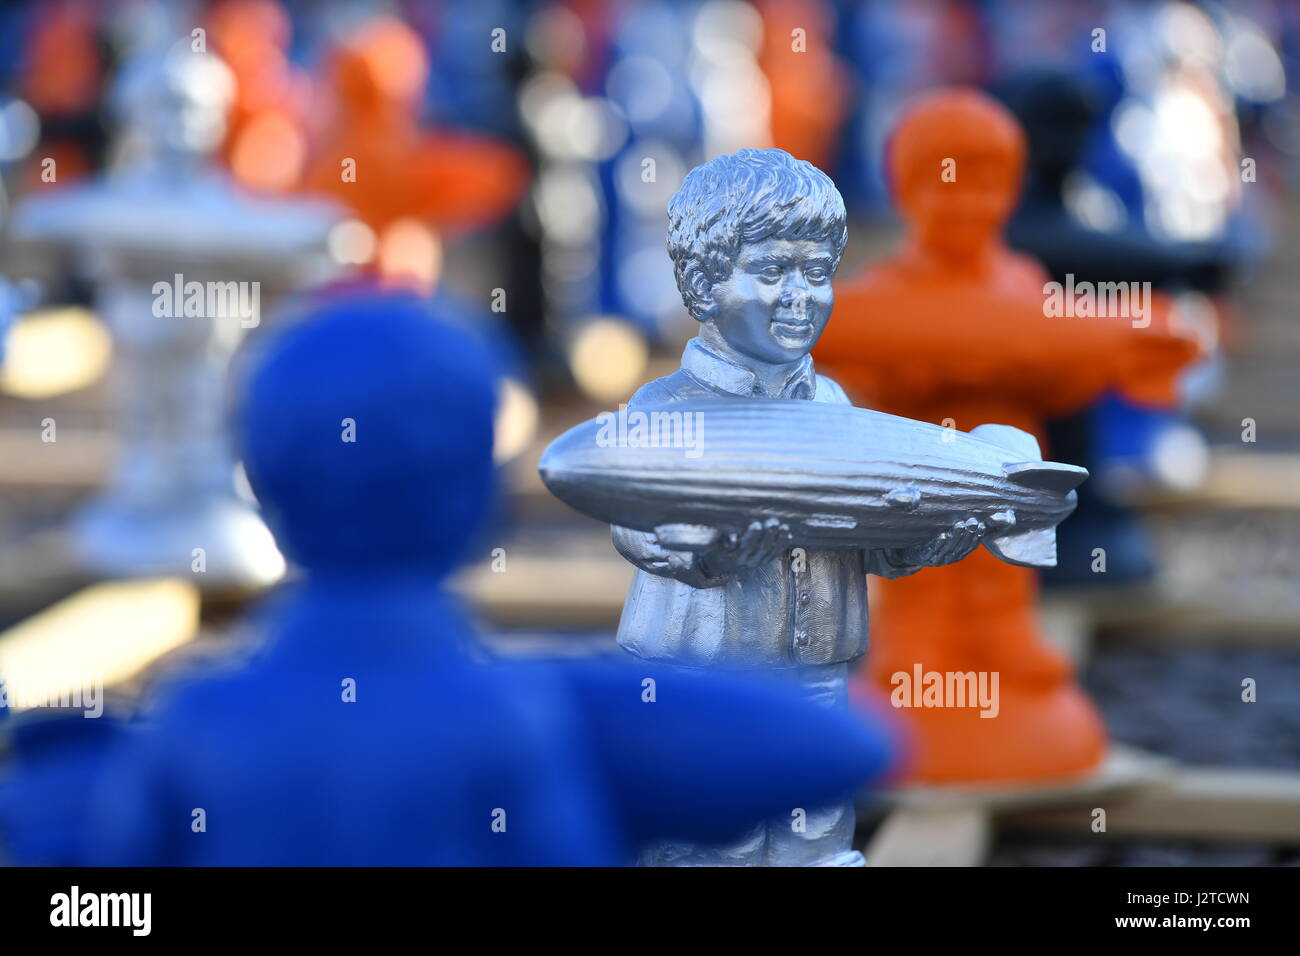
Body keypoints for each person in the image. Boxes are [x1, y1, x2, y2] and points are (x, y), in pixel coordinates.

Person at [611, 149, 980, 865]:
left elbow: (863, 522)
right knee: (718, 827)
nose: (798, 296)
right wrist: (701, 550)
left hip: (817, 661)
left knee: (816, 818)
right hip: (703, 668)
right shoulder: (666, 409)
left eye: (817, 274)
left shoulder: (835, 406)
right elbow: (633, 515)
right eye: (772, 270)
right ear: (705, 281)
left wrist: (914, 542)